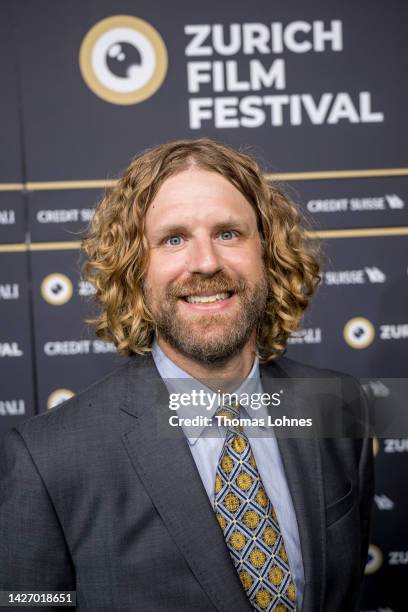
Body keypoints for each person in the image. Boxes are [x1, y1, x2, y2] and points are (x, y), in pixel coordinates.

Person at [0, 139, 373, 611]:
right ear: (135, 269)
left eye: (229, 233)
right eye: (173, 238)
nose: (205, 262)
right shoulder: (46, 459)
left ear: (268, 251)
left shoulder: (339, 407)